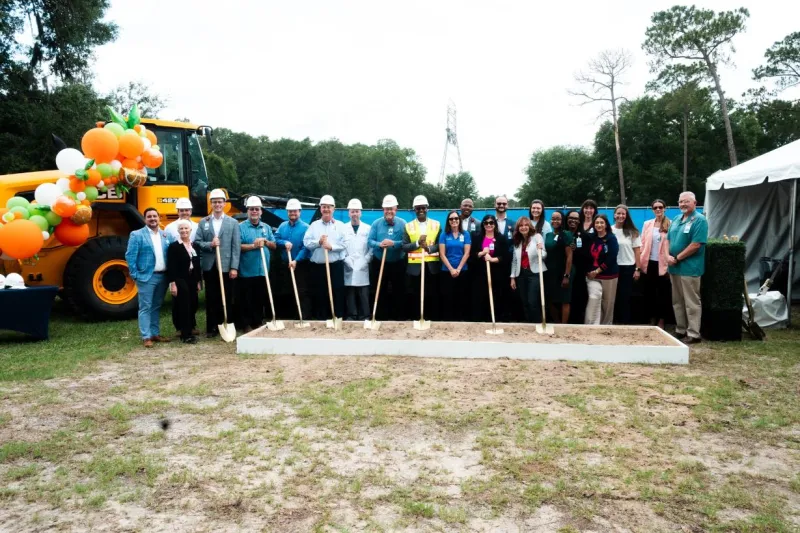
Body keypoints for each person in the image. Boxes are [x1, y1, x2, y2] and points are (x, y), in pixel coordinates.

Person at [195, 188, 241, 338]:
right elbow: (197, 242)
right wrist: (210, 245)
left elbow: (236, 246)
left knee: (227, 295)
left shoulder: (233, 222)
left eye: (220, 202)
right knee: (211, 297)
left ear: (224, 203)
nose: (217, 204)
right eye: (214, 202)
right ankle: (212, 327)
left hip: (227, 266)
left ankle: (226, 323)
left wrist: (234, 267)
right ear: (211, 204)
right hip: (210, 265)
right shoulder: (204, 222)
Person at [125, 207, 171, 348]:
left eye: (155, 216)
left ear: (159, 218)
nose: (152, 219)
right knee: (145, 307)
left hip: (162, 277)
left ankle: (155, 333)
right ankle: (146, 336)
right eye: (149, 216)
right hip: (146, 277)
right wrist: (135, 275)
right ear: (145, 219)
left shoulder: (165, 235)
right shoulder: (137, 235)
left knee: (156, 306)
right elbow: (130, 256)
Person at [666, 191, 708, 344]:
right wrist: (667, 256)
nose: (683, 204)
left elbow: (696, 244)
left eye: (686, 201)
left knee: (691, 302)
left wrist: (677, 257)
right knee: (677, 301)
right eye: (680, 201)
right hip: (674, 268)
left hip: (690, 268)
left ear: (695, 203)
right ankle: (681, 329)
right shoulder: (676, 219)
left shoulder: (700, 220)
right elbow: (667, 239)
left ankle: (694, 333)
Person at [303, 195, 349, 320]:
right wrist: (318, 242)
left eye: (329, 207)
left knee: (337, 292)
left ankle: (338, 317)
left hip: (335, 265)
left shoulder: (340, 226)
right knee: (320, 294)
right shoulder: (314, 225)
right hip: (318, 266)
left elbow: (345, 243)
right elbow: (306, 242)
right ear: (320, 209)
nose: (326, 209)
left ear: (333, 209)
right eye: (324, 207)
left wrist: (331, 247)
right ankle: (321, 319)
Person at [237, 196, 276, 332]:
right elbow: (238, 246)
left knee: (260, 297)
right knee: (247, 298)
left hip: (263, 270)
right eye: (251, 209)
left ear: (261, 212)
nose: (254, 211)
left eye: (257, 209)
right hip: (247, 270)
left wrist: (265, 242)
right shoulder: (241, 227)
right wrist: (254, 246)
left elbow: (274, 245)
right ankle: (246, 323)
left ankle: (257, 321)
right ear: (247, 211)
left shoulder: (266, 228)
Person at [367, 194, 407, 321]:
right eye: (386, 208)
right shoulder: (376, 224)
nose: (389, 211)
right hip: (379, 262)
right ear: (383, 209)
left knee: (399, 290)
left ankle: (399, 317)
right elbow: (370, 241)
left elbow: (406, 242)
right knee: (380, 289)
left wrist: (393, 244)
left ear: (396, 209)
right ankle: (380, 317)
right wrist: (380, 244)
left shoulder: (403, 224)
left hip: (398, 262)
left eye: (391, 208)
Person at [402, 195, 441, 321]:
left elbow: (440, 245)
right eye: (418, 208)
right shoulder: (408, 226)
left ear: (427, 208)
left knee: (431, 294)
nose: (420, 210)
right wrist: (418, 243)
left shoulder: (436, 225)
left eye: (423, 208)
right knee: (414, 294)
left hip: (431, 266)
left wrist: (429, 249)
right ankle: (416, 317)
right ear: (414, 209)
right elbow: (404, 246)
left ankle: (431, 317)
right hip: (415, 266)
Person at [275, 198, 311, 320]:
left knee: (302, 291)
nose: (292, 213)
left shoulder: (306, 227)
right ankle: (289, 317)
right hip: (285, 264)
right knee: (286, 291)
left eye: (295, 211)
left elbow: (306, 247)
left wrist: (296, 261)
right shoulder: (282, 226)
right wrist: (284, 242)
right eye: (290, 211)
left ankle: (303, 316)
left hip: (300, 264)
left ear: (299, 212)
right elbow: (276, 239)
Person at [167, 220, 202, 344]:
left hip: (192, 278)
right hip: (180, 278)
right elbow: (171, 266)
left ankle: (191, 328)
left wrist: (198, 281)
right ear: (178, 231)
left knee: (193, 303)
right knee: (184, 305)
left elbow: (197, 265)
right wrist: (173, 283)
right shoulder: (174, 246)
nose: (184, 231)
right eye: (181, 229)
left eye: (186, 228)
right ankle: (185, 334)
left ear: (190, 230)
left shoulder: (194, 246)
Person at [471, 214, 510, 322]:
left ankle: (495, 319)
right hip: (480, 273)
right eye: (486, 223)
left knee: (496, 297)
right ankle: (481, 320)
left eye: (491, 222)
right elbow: (471, 255)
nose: (489, 225)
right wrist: (482, 253)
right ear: (483, 224)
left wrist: (493, 259)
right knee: (481, 297)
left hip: (497, 273)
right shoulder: (477, 237)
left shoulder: (501, 238)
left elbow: (506, 257)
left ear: (495, 224)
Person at [640, 199, 672, 329]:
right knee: (650, 293)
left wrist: (670, 264)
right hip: (649, 263)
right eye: (655, 208)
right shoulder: (647, 224)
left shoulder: (671, 224)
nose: (658, 209)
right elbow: (642, 243)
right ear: (652, 209)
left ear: (665, 208)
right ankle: (652, 317)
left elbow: (673, 245)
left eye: (660, 207)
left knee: (663, 294)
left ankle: (662, 320)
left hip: (663, 264)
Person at [510, 216, 546, 323]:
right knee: (524, 301)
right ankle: (529, 323)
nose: (523, 227)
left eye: (526, 225)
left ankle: (538, 323)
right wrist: (512, 277)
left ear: (530, 226)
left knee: (532, 301)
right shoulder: (518, 240)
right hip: (521, 274)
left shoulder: (537, 237)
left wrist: (539, 249)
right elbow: (515, 260)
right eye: (521, 225)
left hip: (534, 273)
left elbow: (544, 255)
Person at [584, 214, 619, 325]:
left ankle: (606, 326)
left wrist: (597, 271)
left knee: (607, 303)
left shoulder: (611, 239)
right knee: (594, 299)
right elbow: (586, 256)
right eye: (597, 223)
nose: (599, 225)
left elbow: (611, 258)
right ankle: (591, 324)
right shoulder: (591, 238)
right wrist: (589, 271)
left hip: (609, 276)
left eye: (601, 223)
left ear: (606, 225)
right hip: (592, 277)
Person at [611, 204, 642, 324]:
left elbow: (637, 251)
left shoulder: (633, 232)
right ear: (614, 215)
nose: (620, 216)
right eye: (618, 213)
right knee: (613, 296)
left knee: (625, 296)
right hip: (613, 267)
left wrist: (637, 269)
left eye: (623, 214)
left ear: (626, 216)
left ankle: (625, 322)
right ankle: (613, 320)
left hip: (628, 268)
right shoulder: (610, 230)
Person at [439, 209, 472, 321]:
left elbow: (467, 253)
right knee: (448, 297)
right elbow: (442, 254)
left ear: (459, 220)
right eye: (451, 219)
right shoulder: (444, 235)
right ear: (448, 221)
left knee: (462, 297)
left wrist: (458, 269)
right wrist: (451, 269)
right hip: (446, 271)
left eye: (456, 218)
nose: (454, 220)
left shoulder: (466, 234)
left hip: (462, 271)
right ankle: (448, 321)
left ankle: (461, 320)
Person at [569, 199, 598, 324]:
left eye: (591, 208)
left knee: (585, 294)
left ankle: (583, 319)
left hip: (589, 265)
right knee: (574, 293)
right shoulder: (576, 224)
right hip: (573, 264)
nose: (588, 210)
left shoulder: (597, 223)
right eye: (586, 207)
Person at [343, 199, 372, 320]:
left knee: (363, 292)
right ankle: (351, 314)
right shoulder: (343, 228)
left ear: (361, 213)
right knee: (350, 291)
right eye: (352, 211)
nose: (354, 214)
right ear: (349, 213)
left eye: (357, 211)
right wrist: (346, 259)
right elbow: (340, 246)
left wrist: (366, 260)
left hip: (363, 265)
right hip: (348, 264)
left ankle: (365, 315)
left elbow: (372, 247)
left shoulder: (368, 229)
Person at [544, 210, 574, 324]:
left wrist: (566, 275)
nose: (555, 221)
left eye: (558, 218)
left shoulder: (567, 234)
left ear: (562, 221)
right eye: (553, 218)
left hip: (564, 271)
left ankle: (564, 325)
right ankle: (557, 322)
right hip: (550, 272)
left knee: (564, 300)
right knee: (550, 299)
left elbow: (569, 256)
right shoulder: (548, 235)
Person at [494, 195, 516, 320]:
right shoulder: (490, 222)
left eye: (503, 203)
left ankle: (507, 317)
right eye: (499, 203)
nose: (501, 206)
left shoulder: (513, 224)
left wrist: (506, 256)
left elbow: (515, 243)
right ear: (495, 204)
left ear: (507, 205)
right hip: (492, 262)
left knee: (507, 290)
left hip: (508, 263)